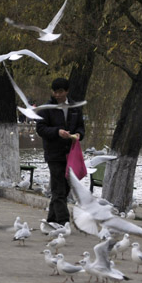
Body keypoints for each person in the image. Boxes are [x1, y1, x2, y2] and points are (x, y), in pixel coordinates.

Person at [35, 77, 85, 225]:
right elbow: (40, 129)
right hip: (54, 154)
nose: (57, 95)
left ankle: (51, 219)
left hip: (70, 154)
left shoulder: (75, 108)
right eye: (55, 92)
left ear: (67, 91)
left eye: (60, 92)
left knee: (64, 188)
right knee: (58, 189)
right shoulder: (47, 108)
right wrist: (57, 132)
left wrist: (78, 135)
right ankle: (63, 222)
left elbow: (81, 127)